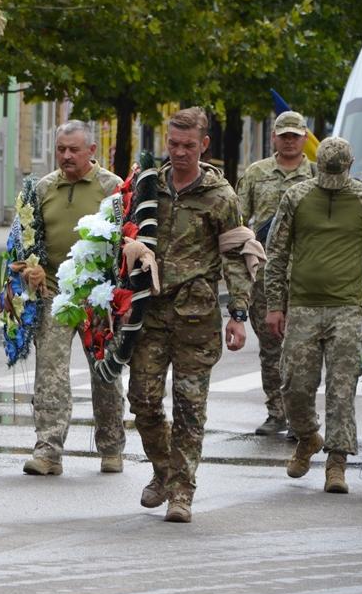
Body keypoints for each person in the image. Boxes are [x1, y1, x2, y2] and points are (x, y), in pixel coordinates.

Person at [127, 107, 254, 523]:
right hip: (152, 312)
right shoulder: (149, 187)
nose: (179, 153)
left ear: (204, 145)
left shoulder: (220, 196)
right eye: (173, 144)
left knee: (189, 405)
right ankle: (163, 469)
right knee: (142, 399)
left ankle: (182, 491)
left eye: (188, 146)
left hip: (196, 316)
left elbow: (236, 257)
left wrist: (238, 312)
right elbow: (125, 237)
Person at [265, 136, 362, 494]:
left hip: (346, 307)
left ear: (349, 167)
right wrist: (274, 305)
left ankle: (337, 463)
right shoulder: (297, 197)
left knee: (341, 388)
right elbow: (277, 253)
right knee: (294, 385)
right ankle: (308, 436)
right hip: (302, 305)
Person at [21, 120, 127, 477]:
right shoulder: (42, 189)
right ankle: (48, 450)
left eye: (74, 150)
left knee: (105, 372)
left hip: (98, 299)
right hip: (54, 293)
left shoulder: (111, 188)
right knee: (49, 374)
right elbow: (27, 239)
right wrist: (27, 270)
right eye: (61, 149)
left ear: (91, 151)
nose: (66, 156)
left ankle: (111, 446)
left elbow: (124, 241)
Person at [236, 110, 316, 436]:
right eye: (284, 135)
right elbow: (239, 219)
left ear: (304, 138)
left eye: (295, 135)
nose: (289, 140)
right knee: (270, 348)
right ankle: (275, 411)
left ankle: (300, 417)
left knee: (301, 350)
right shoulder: (256, 174)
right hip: (266, 273)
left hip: (305, 273)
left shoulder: (317, 176)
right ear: (274, 138)